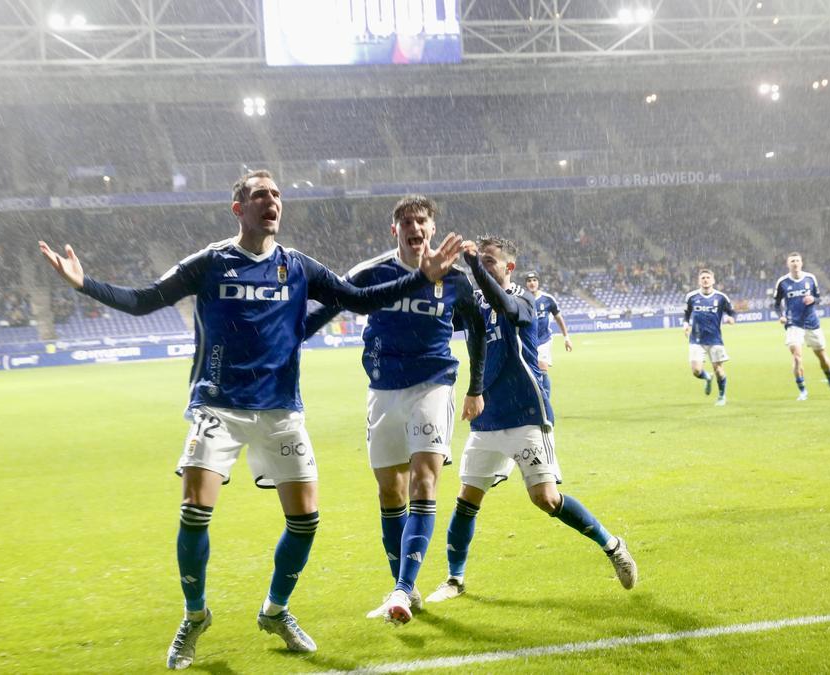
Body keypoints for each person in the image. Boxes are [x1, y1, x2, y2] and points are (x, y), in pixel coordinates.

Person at [38, 170, 462, 668]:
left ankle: (276, 610)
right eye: (260, 194)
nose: (272, 201)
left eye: (278, 194)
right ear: (239, 208)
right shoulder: (211, 262)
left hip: (280, 409)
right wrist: (83, 283)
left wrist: (422, 276)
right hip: (217, 404)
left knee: (306, 520)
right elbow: (144, 300)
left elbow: (360, 299)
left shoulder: (298, 266)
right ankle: (194, 617)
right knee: (196, 506)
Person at [303, 195, 486, 625]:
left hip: (434, 385)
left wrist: (475, 388)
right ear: (395, 230)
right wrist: (288, 337)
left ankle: (402, 589)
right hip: (384, 390)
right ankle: (405, 586)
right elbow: (332, 304)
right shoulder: (371, 273)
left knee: (425, 478)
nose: (415, 227)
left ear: (432, 229)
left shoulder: (456, 281)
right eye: (406, 221)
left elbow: (476, 327)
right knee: (390, 492)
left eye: (421, 221)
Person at [425, 236, 637, 605]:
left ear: (509, 268)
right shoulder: (475, 304)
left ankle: (613, 545)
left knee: (546, 499)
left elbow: (505, 305)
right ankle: (455, 578)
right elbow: (443, 313)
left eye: (491, 261)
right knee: (466, 499)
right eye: (482, 260)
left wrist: (472, 264)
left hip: (525, 415)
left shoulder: (525, 300)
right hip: (486, 417)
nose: (484, 266)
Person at [773, 253, 830, 400]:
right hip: (793, 323)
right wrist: (781, 316)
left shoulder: (810, 278)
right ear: (788, 264)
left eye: (797, 260)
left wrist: (813, 299)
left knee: (822, 356)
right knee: (797, 358)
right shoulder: (782, 282)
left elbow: (818, 298)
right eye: (792, 261)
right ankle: (802, 390)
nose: (795, 263)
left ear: (801, 263)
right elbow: (776, 304)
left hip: (812, 322)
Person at [683, 270, 736, 406]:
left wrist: (731, 318)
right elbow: (687, 313)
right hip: (696, 339)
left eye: (708, 277)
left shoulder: (721, 297)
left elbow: (732, 312)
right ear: (699, 281)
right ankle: (707, 377)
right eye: (703, 278)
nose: (705, 280)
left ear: (713, 280)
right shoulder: (692, 297)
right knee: (696, 371)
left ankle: (721, 396)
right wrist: (685, 324)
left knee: (718, 370)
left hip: (714, 339)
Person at [523, 272, 572, 398]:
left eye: (534, 280)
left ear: (538, 282)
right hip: (527, 342)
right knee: (530, 373)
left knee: (542, 369)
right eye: (529, 281)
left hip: (544, 340)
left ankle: (546, 401)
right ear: (526, 284)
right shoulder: (522, 299)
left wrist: (566, 338)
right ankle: (534, 399)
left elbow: (558, 318)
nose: (532, 283)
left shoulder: (548, 299)